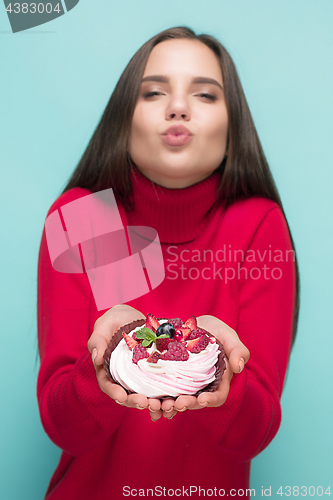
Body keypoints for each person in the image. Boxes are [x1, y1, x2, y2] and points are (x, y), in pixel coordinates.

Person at [37, 26, 299, 499]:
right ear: (124, 118)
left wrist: (226, 384)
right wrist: (98, 377)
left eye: (205, 94)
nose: (178, 107)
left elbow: (253, 435)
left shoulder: (257, 225)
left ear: (232, 123)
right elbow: (65, 428)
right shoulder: (86, 218)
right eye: (154, 92)